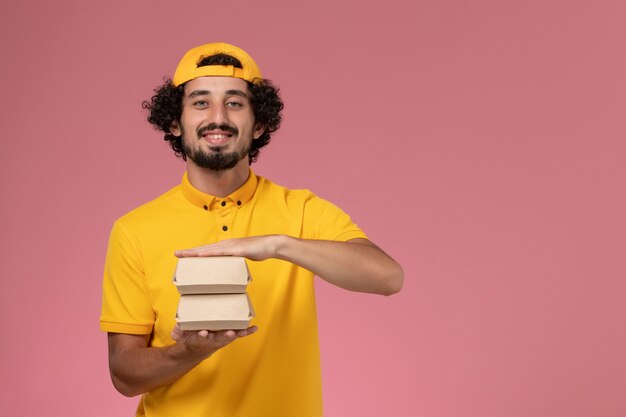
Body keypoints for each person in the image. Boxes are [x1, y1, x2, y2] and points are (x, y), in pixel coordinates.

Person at [100, 42, 403, 417]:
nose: (218, 117)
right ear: (174, 123)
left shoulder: (300, 210)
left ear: (258, 124)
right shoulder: (134, 230)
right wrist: (189, 351)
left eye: (234, 102)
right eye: (199, 102)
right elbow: (124, 376)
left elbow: (389, 277)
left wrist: (279, 245)